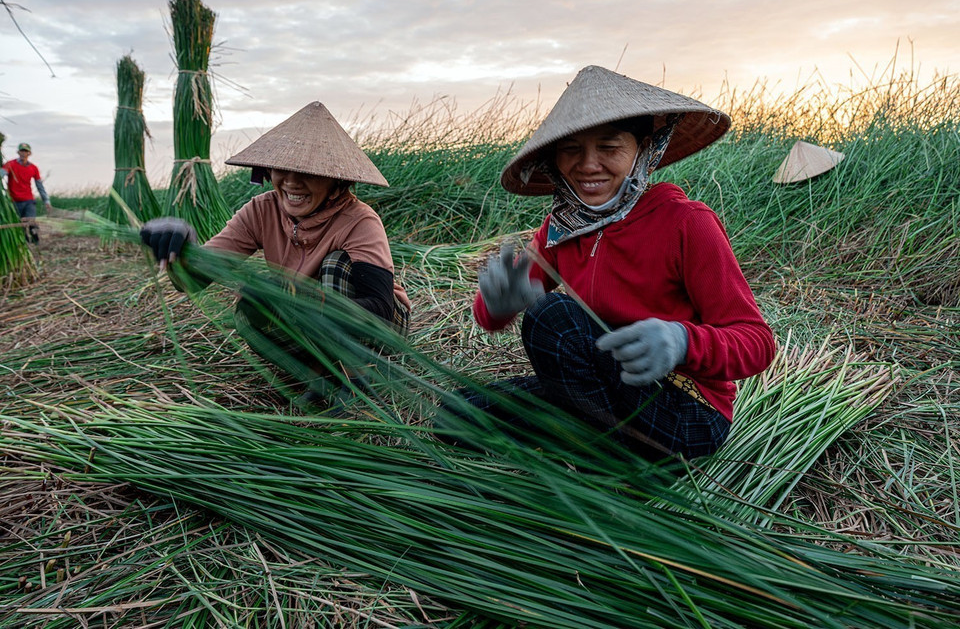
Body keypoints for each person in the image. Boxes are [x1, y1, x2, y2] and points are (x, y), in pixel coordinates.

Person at [464, 66, 776, 461]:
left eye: (609, 147)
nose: (588, 165)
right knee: (459, 411)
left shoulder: (687, 222)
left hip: (685, 410)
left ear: (644, 150)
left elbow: (757, 343)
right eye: (572, 150)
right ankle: (593, 444)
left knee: (551, 317)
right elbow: (490, 320)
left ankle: (599, 462)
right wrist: (498, 303)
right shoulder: (563, 228)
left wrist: (681, 341)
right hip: (606, 392)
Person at [139, 101, 411, 406]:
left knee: (334, 266)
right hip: (313, 322)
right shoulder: (261, 211)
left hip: (379, 329)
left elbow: (381, 308)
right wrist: (182, 244)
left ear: (337, 181)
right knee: (250, 309)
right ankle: (319, 376)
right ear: (267, 171)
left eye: (309, 172)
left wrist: (300, 297)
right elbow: (194, 279)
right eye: (282, 169)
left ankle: (357, 377)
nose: (292, 182)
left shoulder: (358, 220)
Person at [2, 142, 52, 244]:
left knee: (30, 221)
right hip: (14, 201)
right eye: (22, 151)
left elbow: (39, 186)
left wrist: (46, 200)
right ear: (18, 152)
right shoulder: (10, 164)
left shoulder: (33, 168)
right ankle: (24, 242)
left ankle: (35, 241)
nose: (23, 153)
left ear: (29, 153)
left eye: (26, 151)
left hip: (29, 200)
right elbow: (2, 173)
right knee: (19, 224)